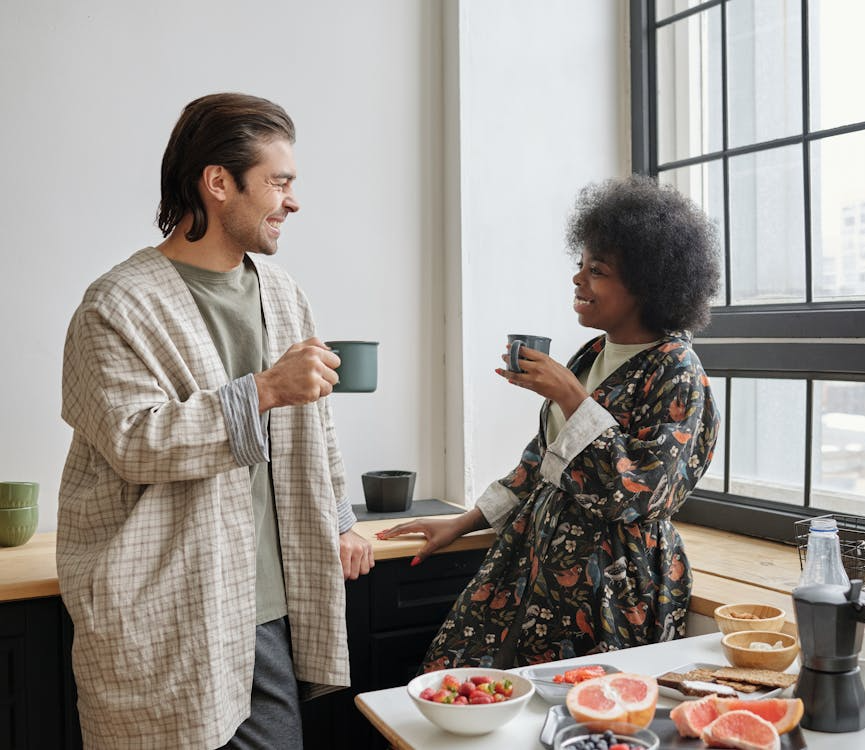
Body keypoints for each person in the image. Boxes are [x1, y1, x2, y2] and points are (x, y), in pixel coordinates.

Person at [57, 93, 373, 750]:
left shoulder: (282, 292)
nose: (293, 201)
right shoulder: (116, 306)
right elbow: (135, 442)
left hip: (266, 609)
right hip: (170, 613)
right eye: (279, 182)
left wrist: (340, 520)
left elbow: (316, 425)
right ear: (219, 182)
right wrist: (261, 390)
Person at [379, 175, 722, 669]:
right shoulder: (592, 354)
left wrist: (568, 394)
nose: (578, 280)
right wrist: (463, 522)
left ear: (648, 283)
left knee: (578, 718)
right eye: (580, 266)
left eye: (597, 270)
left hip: (613, 580)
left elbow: (644, 491)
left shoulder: (676, 370)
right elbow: (543, 461)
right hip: (535, 559)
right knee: (456, 677)